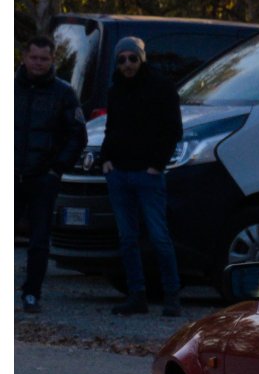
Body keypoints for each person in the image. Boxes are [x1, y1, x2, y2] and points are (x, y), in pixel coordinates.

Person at [98, 36, 185, 316]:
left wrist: (157, 164)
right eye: (122, 60)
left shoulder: (161, 87)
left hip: (148, 174)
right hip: (119, 173)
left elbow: (173, 130)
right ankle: (137, 295)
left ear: (141, 59)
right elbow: (112, 127)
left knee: (159, 237)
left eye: (132, 58)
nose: (127, 64)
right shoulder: (116, 90)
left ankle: (171, 294)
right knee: (127, 238)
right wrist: (106, 159)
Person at [15, 35, 86, 313]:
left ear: (52, 60)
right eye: (34, 57)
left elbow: (77, 135)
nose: (38, 63)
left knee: (39, 239)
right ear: (24, 57)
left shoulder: (63, 93)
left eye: (43, 59)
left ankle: (32, 293)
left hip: (42, 177)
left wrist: (57, 169)